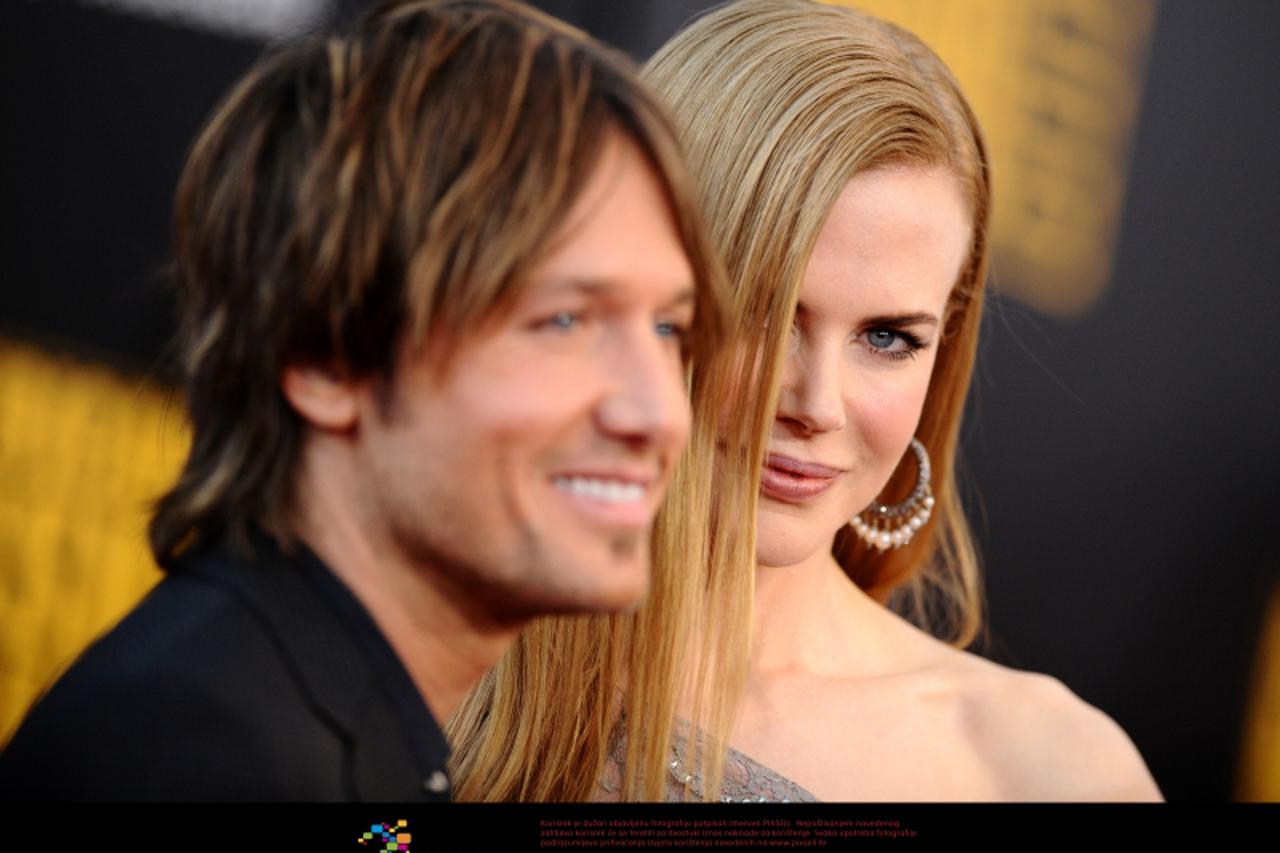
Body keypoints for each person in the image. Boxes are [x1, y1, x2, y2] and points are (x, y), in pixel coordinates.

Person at [0, 0, 729, 801]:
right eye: (563, 319)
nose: (658, 412)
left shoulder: (340, 733)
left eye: (670, 328)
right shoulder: (206, 756)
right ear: (327, 358)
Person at [449, 0, 1163, 802]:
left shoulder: (1042, 769)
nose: (817, 404)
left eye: (887, 338)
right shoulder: (429, 649)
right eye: (765, 311)